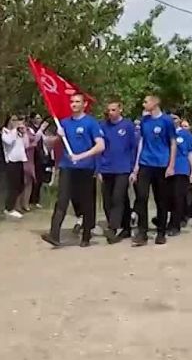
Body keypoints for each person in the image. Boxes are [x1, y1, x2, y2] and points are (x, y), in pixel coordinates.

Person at [40, 93, 105, 248]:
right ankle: (54, 234)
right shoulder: (64, 123)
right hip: (67, 166)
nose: (74, 104)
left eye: (77, 102)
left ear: (84, 105)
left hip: (85, 168)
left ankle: (86, 236)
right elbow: (54, 143)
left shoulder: (91, 123)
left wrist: (81, 156)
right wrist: (56, 137)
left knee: (86, 202)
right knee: (61, 200)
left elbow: (100, 146)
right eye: (72, 101)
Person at [130, 95, 177, 246]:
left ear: (155, 103)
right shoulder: (145, 121)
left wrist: (171, 165)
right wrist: (137, 165)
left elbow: (173, 142)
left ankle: (161, 232)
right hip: (145, 163)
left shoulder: (166, 121)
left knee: (161, 199)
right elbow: (142, 142)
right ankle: (142, 232)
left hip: (161, 164)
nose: (143, 104)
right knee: (142, 197)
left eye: (146, 101)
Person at [98, 100, 137, 243]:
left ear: (120, 110)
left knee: (118, 197)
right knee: (108, 199)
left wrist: (134, 169)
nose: (110, 113)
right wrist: (99, 169)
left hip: (123, 168)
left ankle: (112, 228)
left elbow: (133, 148)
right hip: (106, 167)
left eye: (113, 110)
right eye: (109, 110)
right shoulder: (102, 126)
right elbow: (99, 148)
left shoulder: (128, 125)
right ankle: (126, 227)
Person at [167, 113, 192, 236]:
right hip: (167, 169)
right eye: (170, 118)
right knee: (167, 197)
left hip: (181, 169)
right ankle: (166, 221)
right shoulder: (166, 133)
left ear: (179, 120)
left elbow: (190, 153)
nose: (172, 120)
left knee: (178, 197)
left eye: (175, 118)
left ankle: (175, 224)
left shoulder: (185, 134)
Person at [1, 113, 28, 219]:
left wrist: (24, 133)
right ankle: (8, 208)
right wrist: (14, 129)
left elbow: (26, 145)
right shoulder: (5, 132)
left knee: (20, 185)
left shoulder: (17, 133)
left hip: (19, 160)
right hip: (11, 161)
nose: (16, 122)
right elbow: (8, 141)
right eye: (13, 120)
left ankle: (14, 206)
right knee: (12, 186)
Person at [27, 113, 49, 209]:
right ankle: (31, 199)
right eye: (37, 118)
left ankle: (36, 199)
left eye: (40, 117)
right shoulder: (31, 129)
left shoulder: (41, 130)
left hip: (41, 156)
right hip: (33, 156)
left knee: (40, 178)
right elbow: (35, 138)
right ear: (32, 119)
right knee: (34, 179)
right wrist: (41, 130)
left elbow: (44, 140)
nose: (39, 119)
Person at [180, 119, 192, 220]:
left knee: (188, 191)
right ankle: (191, 210)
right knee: (185, 191)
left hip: (191, 167)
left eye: (186, 126)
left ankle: (188, 211)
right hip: (181, 169)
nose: (184, 128)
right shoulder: (178, 137)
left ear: (190, 127)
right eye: (182, 126)